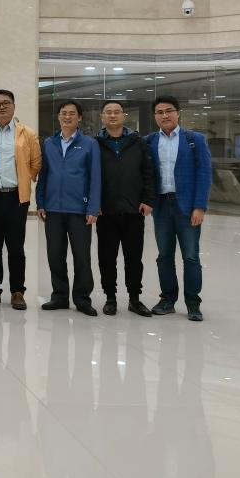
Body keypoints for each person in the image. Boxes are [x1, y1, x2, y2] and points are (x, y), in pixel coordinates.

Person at [145, 95, 213, 322]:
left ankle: (193, 303)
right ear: (155, 116)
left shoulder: (194, 140)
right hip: (161, 206)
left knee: (191, 256)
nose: (164, 115)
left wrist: (200, 206)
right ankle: (168, 300)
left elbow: (204, 174)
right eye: (159, 112)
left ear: (178, 113)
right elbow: (145, 174)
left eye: (169, 111)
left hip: (187, 207)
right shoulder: (149, 141)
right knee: (164, 256)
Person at [0, 89, 42, 310]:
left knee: (16, 247)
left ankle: (17, 291)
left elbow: (36, 163)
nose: (1, 107)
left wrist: (24, 178)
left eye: (6, 103)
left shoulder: (27, 133)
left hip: (17, 197)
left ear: (14, 106)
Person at [36, 100, 101, 316]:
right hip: (53, 209)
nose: (67, 117)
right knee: (55, 255)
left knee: (82, 257)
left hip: (79, 210)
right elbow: (43, 175)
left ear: (79, 118)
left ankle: (82, 299)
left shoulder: (89, 144)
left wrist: (93, 208)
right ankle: (60, 296)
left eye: (72, 113)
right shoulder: (49, 143)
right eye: (63, 113)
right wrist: (41, 202)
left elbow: (95, 177)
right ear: (58, 117)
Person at [95, 99, 156, 317]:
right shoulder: (95, 144)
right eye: (108, 112)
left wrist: (148, 200)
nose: (112, 115)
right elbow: (90, 177)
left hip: (134, 211)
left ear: (124, 116)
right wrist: (94, 204)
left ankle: (134, 299)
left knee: (134, 258)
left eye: (116, 112)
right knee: (106, 258)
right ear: (102, 117)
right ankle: (110, 298)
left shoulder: (138, 142)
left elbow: (148, 173)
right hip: (105, 211)